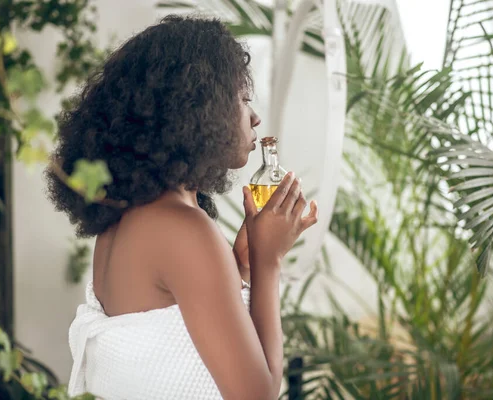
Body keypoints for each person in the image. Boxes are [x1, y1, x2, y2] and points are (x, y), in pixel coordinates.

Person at [45, 14, 318, 400]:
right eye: (242, 100)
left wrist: (242, 265)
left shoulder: (124, 220)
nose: (255, 117)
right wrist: (268, 262)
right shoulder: (184, 229)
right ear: (198, 110)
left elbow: (167, 350)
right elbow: (257, 394)